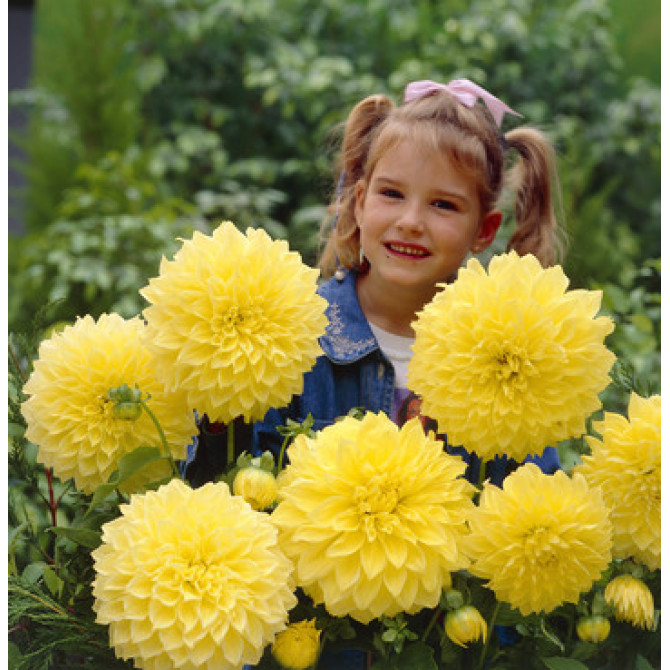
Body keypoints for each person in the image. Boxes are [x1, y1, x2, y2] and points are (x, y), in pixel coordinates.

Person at [185, 78, 564, 668]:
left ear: (482, 232)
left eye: (443, 204)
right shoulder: (290, 338)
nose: (411, 221)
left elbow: (533, 520)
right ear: (357, 201)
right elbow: (220, 496)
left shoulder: (514, 363)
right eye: (392, 194)